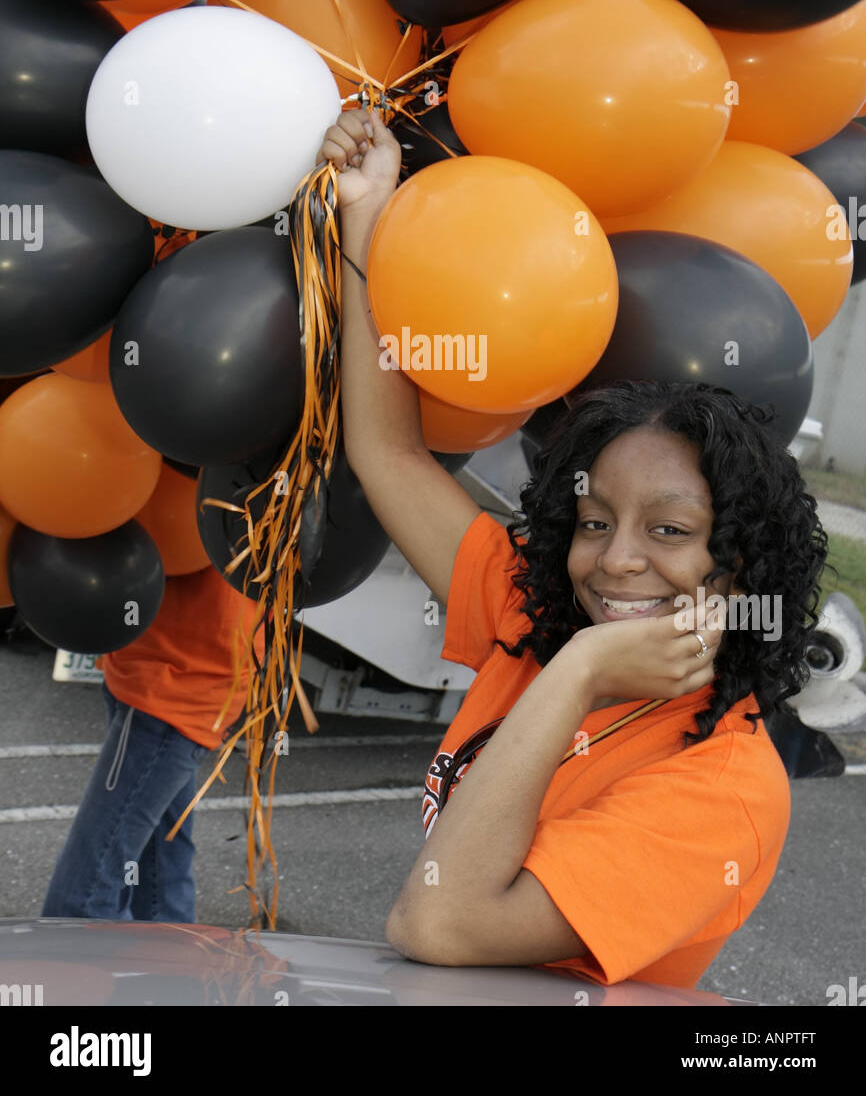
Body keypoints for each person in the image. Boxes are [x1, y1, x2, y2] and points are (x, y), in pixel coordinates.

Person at [321, 106, 827, 988]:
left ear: (740, 563)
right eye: (595, 521)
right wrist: (366, 215)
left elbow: (440, 920)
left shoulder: (727, 787)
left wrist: (580, 673)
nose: (616, 561)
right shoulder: (536, 613)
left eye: (671, 531)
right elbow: (388, 452)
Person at [42, 565, 263, 923]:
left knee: (80, 902)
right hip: (157, 667)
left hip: (173, 682)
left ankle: (81, 974)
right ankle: (169, 974)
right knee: (160, 881)